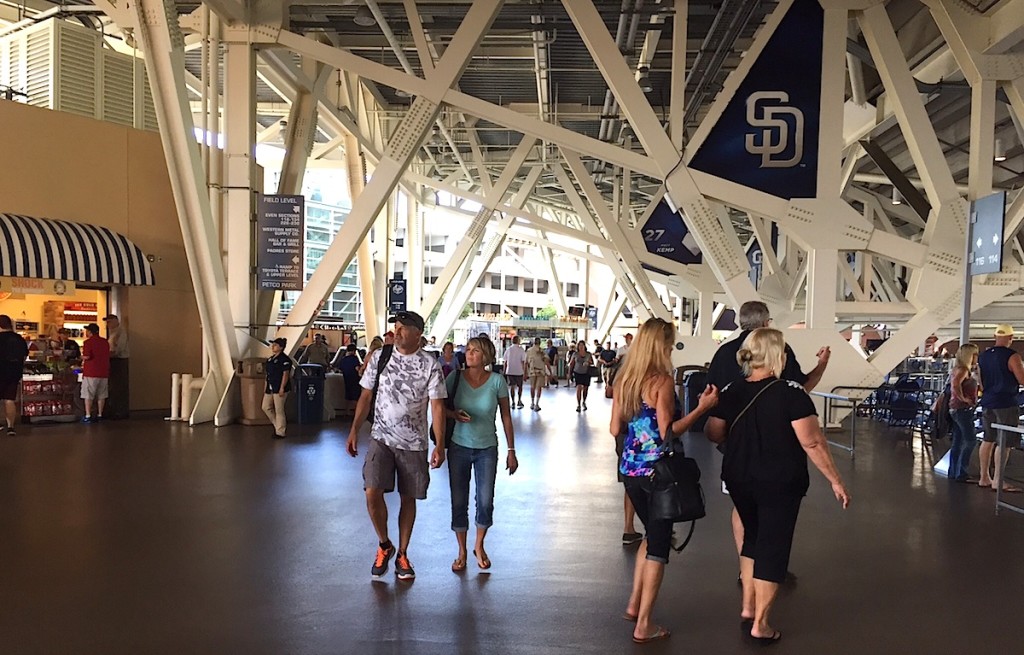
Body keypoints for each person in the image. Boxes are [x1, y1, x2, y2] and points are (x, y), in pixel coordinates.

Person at [704, 328, 850, 645]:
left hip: (739, 478)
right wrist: (836, 480)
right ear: (777, 356)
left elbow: (714, 432)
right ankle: (761, 623)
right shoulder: (792, 394)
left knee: (753, 538)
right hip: (779, 481)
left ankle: (747, 607)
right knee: (774, 547)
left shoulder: (731, 391)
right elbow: (812, 442)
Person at [609, 317, 719, 644]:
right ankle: (644, 624)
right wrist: (703, 408)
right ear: (662, 345)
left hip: (630, 470)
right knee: (658, 546)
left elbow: (615, 429)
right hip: (658, 473)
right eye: (670, 343)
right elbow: (667, 433)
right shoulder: (661, 382)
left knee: (651, 535)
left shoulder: (624, 378)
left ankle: (633, 604)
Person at [706, 301, 830, 573]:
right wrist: (821, 366)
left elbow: (713, 401)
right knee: (774, 510)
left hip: (735, 447)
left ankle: (746, 566)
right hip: (778, 447)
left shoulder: (724, 352)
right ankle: (768, 567)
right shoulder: (779, 350)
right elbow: (801, 388)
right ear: (765, 323)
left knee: (742, 506)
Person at [346, 311, 447, 581]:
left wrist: (440, 445)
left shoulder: (429, 364)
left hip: (414, 443)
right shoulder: (381, 357)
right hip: (381, 437)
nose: (397, 331)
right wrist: (354, 429)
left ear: (418, 334)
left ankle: (402, 553)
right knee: (372, 491)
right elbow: (366, 396)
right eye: (396, 327)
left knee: (408, 498)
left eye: (403, 328)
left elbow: (437, 407)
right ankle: (384, 544)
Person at [446, 336, 517, 572]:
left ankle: (479, 544)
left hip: (487, 447)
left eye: (475, 351)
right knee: (459, 499)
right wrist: (454, 415)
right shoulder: (455, 378)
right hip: (459, 445)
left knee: (485, 500)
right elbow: (438, 407)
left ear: (486, 356)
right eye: (467, 350)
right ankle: (461, 550)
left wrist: (511, 450)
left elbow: (506, 416)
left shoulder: (497, 381)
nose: (469, 354)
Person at [976, 325, 1024, 492]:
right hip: (1006, 402)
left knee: (987, 439)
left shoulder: (983, 356)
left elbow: (981, 382)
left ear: (994, 336)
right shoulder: (1012, 356)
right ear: (1011, 337)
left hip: (988, 401)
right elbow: (1022, 379)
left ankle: (984, 477)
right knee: (1004, 442)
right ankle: (998, 480)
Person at [947, 343, 980, 483]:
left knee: (958, 441)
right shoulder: (963, 370)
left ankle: (954, 471)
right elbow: (955, 385)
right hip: (962, 409)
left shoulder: (957, 369)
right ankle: (962, 471)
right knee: (971, 440)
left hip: (955, 408)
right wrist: (964, 399)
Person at [0, 315, 29, 436]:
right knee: (9, 400)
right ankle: (10, 427)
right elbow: (24, 355)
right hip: (14, 374)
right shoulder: (19, 339)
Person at [80, 323, 111, 423]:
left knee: (88, 395)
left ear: (90, 332)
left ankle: (88, 416)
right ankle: (100, 415)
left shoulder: (88, 342)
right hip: (104, 372)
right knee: (102, 394)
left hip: (91, 372)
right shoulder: (105, 342)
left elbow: (87, 356)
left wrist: (80, 357)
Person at [263, 337, 292, 439]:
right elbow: (268, 374)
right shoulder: (270, 360)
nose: (273, 346)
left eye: (275, 345)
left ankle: (280, 432)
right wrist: (265, 386)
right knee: (265, 407)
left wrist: (282, 388)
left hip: (279, 388)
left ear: (281, 347)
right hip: (270, 387)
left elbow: (285, 374)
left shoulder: (285, 360)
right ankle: (277, 425)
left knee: (279, 410)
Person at [103, 314, 130, 419]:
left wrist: (108, 355)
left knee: (119, 386)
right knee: (113, 387)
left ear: (116, 321)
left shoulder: (121, 332)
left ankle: (120, 411)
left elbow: (119, 349)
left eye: (109, 322)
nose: (107, 324)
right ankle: (114, 409)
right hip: (113, 360)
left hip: (119, 361)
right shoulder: (112, 333)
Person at [569, 341, 595, 412]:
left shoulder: (588, 354)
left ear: (584, 346)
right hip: (577, 372)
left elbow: (592, 362)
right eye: (579, 345)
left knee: (586, 388)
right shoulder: (575, 354)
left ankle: (584, 401)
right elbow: (571, 364)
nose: (581, 347)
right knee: (579, 388)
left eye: (582, 345)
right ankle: (578, 404)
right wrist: (569, 373)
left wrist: (588, 362)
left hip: (586, 373)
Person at [335, 344, 362, 412]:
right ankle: (356, 412)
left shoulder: (343, 359)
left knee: (348, 397)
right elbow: (357, 369)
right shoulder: (355, 359)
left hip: (347, 380)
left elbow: (340, 369)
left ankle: (346, 412)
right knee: (356, 398)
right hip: (355, 380)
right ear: (353, 351)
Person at [525, 337, 549, 411]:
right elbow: (547, 360)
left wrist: (525, 372)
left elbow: (526, 362)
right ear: (540, 343)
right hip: (541, 371)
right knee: (539, 387)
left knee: (532, 387)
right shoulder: (542, 351)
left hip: (532, 371)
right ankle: (537, 404)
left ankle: (532, 403)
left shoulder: (529, 351)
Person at [503, 336, 527, 408]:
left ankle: (513, 402)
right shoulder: (521, 350)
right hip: (519, 371)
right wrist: (525, 372)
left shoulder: (508, 349)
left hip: (510, 370)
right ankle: (519, 400)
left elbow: (505, 362)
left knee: (512, 386)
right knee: (520, 386)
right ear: (518, 341)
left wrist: (504, 371)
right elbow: (523, 362)